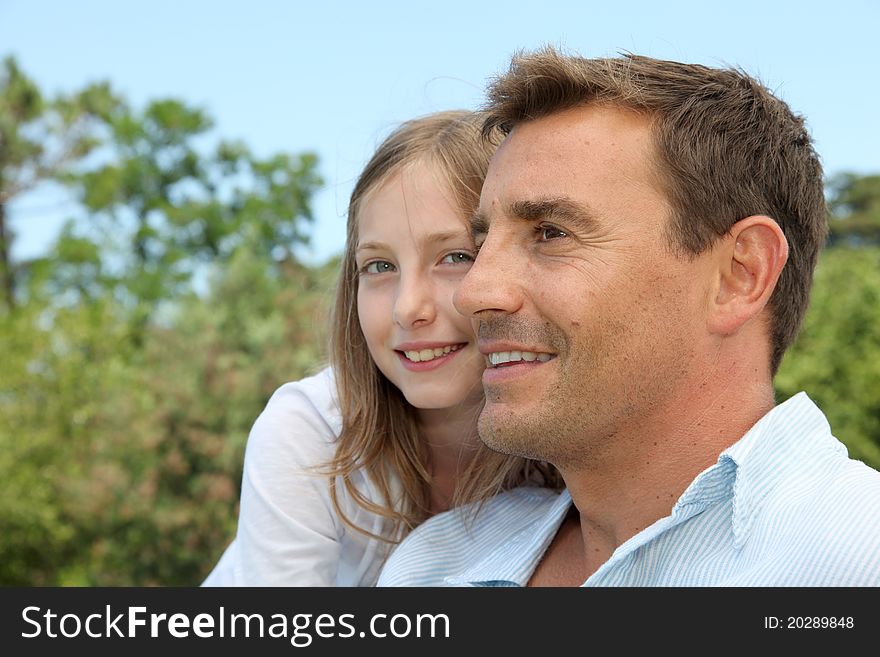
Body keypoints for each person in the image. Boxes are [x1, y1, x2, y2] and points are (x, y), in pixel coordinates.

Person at [377, 48, 880, 586]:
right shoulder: (429, 567)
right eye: (481, 243)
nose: (473, 292)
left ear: (740, 274)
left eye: (550, 233)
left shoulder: (857, 561)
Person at [202, 110, 559, 586]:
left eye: (455, 257)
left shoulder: (565, 446)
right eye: (378, 266)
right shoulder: (309, 434)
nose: (408, 308)